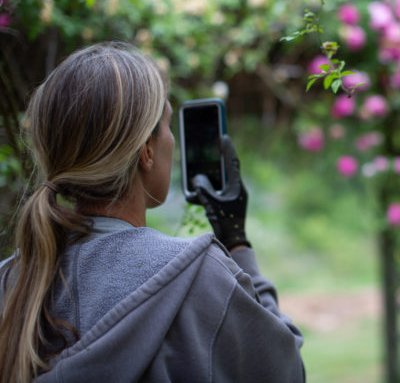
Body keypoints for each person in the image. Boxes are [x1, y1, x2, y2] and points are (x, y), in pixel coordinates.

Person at [0, 42, 305, 382]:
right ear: (146, 150)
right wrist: (237, 243)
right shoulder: (198, 276)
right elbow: (286, 369)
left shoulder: (10, 283)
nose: (171, 142)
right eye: (167, 127)